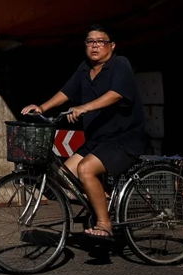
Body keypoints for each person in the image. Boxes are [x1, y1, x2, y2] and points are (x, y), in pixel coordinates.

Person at [23, 24, 146, 239]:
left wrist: (84, 107)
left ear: (112, 45)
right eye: (90, 42)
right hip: (97, 140)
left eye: (101, 41)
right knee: (63, 174)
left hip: (123, 139)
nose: (95, 46)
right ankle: (102, 200)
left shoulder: (120, 64)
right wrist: (42, 107)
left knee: (85, 169)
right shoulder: (84, 68)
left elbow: (116, 94)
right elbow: (67, 92)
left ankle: (104, 223)